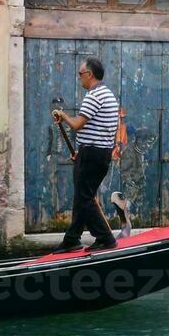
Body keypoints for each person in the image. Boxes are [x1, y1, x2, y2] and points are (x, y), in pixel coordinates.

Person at [51, 57, 121, 253]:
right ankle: (72, 239)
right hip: (97, 153)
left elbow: (77, 125)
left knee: (85, 198)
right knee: (82, 197)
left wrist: (62, 115)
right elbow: (101, 129)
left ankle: (105, 238)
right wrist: (81, 153)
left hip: (92, 154)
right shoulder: (108, 94)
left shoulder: (94, 96)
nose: (79, 78)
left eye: (80, 74)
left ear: (89, 75)